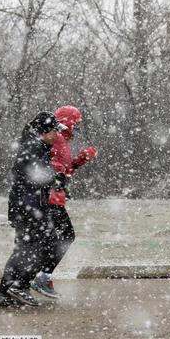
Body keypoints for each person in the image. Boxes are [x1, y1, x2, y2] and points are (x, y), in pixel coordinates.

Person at [0, 112, 68, 307]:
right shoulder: (33, 147)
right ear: (45, 131)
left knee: (28, 248)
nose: (57, 136)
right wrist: (54, 179)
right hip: (28, 207)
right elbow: (32, 175)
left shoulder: (36, 146)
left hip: (28, 206)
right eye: (54, 132)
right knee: (33, 248)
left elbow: (37, 175)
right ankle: (17, 286)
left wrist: (55, 180)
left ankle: (4, 292)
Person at [31, 106, 97, 298]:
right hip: (50, 198)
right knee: (65, 236)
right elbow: (53, 169)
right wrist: (59, 177)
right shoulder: (57, 139)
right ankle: (41, 277)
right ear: (68, 122)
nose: (77, 127)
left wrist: (81, 159)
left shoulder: (63, 141)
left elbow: (65, 170)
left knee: (53, 239)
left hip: (54, 198)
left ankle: (34, 277)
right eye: (75, 123)